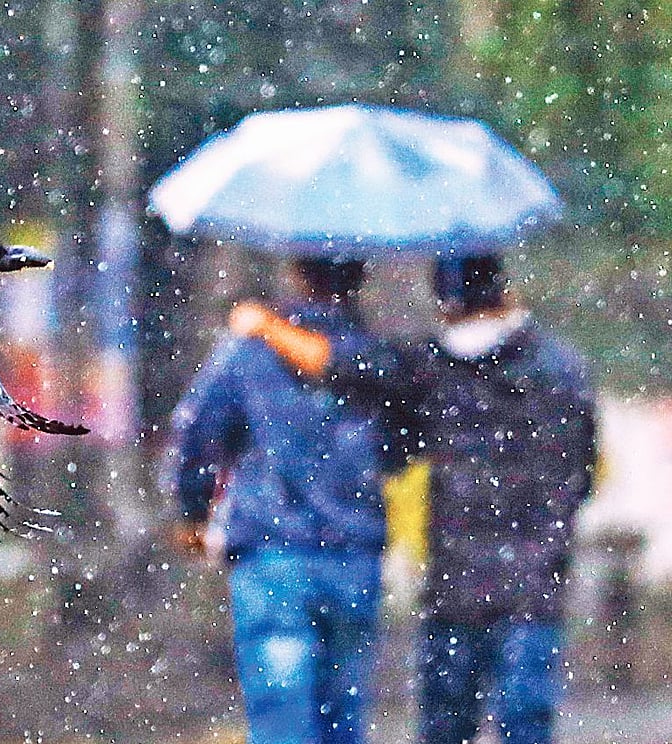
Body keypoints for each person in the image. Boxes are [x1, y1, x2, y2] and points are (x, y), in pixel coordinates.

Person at [232, 254, 597, 744]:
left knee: (447, 728)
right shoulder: (561, 367)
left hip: (455, 586)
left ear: (443, 304)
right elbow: (583, 471)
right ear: (505, 291)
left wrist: (267, 327)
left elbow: (344, 371)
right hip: (535, 586)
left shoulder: (431, 368)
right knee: (525, 726)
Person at [170, 258, 397, 744]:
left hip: (271, 553)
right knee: (344, 711)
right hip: (354, 553)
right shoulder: (379, 356)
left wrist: (194, 512)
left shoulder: (248, 354)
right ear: (361, 278)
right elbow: (402, 444)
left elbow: (198, 433)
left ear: (296, 275)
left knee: (282, 717)